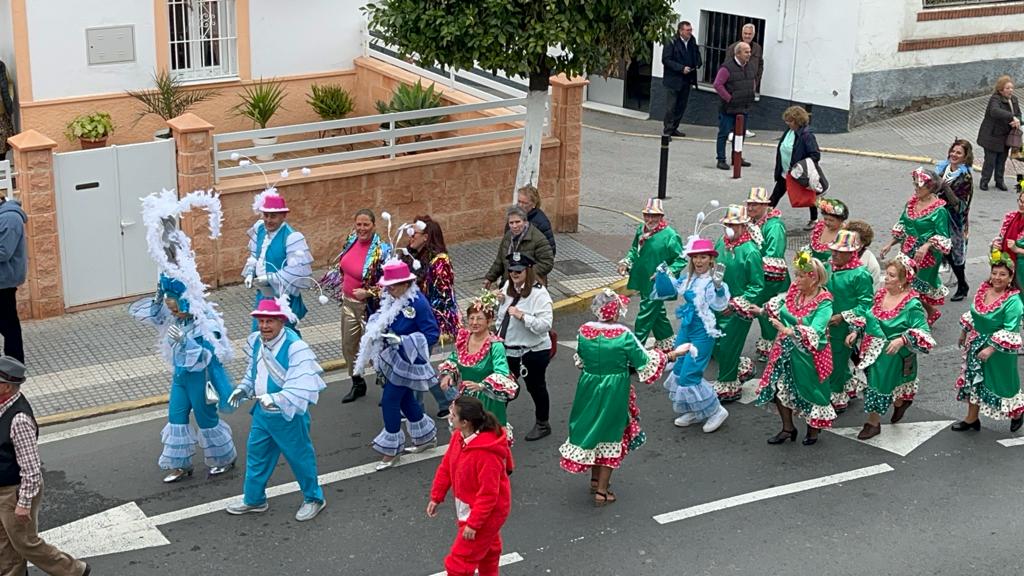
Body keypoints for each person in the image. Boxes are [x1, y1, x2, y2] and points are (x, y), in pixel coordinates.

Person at [559, 290, 670, 506]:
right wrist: (670, 355)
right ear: (616, 311)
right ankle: (602, 491)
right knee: (611, 433)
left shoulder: (584, 331)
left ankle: (594, 481)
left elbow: (581, 360)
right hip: (614, 389)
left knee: (592, 429)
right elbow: (644, 362)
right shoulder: (623, 335)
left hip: (588, 387)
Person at [226, 298, 328, 521]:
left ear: (281, 321)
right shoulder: (257, 341)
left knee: (300, 458)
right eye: (261, 321)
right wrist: (243, 389)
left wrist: (275, 398)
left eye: (269, 321)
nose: (264, 326)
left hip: (288, 416)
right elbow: (253, 372)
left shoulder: (295, 347)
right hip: (262, 415)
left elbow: (300, 385)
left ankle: (314, 498)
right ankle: (254, 499)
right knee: (256, 456)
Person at [130, 275, 237, 482]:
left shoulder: (206, 323)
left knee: (206, 420)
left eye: (176, 309)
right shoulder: (177, 319)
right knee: (176, 418)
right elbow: (155, 317)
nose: (173, 313)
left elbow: (208, 355)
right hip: (180, 377)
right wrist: (159, 297)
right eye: (171, 309)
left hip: (201, 378)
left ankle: (224, 458)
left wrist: (185, 341)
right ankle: (180, 464)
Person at [0, 356, 92, 576]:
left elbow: (31, 469)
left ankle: (74, 570)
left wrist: (24, 503)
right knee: (3, 541)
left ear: (5, 387)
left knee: (25, 542)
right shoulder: (3, 406)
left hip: (15, 491)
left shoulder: (19, 420)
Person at [355, 260, 440, 470]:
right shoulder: (392, 299)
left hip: (409, 360)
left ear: (405, 284)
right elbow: (386, 319)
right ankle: (426, 438)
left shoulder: (418, 303)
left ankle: (391, 451)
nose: (388, 290)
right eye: (387, 286)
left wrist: (404, 340)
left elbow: (432, 334)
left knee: (390, 401)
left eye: (393, 286)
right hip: (394, 357)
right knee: (405, 400)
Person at [846, 255, 934, 440]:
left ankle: (873, 423)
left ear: (903, 280)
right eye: (887, 274)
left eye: (892, 276)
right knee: (878, 383)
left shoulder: (912, 305)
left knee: (879, 385)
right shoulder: (880, 295)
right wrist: (856, 331)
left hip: (892, 354)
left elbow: (924, 331)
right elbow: (870, 316)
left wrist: (902, 339)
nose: (886, 278)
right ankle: (900, 402)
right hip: (872, 350)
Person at [752, 251, 835, 446]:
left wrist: (787, 330)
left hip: (809, 354)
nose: (795, 279)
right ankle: (788, 428)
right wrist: (762, 311)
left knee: (811, 391)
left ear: (813, 279)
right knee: (779, 386)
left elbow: (816, 330)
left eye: (800, 275)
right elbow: (781, 307)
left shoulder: (824, 302)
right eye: (796, 274)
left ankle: (813, 429)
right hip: (785, 348)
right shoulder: (795, 291)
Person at [428, 396, 514, 576]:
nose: (450, 417)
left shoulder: (486, 455)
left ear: (465, 422)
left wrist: (474, 524)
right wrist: (436, 497)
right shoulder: (459, 437)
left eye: (453, 415)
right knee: (489, 552)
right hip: (472, 506)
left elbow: (488, 495)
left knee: (459, 564)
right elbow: (446, 467)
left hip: (484, 514)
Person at [322, 209, 390, 404]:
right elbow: (344, 267)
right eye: (358, 224)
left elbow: (389, 283)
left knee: (377, 347)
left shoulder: (382, 250)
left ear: (374, 226)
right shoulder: (351, 240)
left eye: (366, 224)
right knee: (349, 346)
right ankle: (357, 383)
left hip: (369, 308)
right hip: (348, 304)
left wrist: (368, 292)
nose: (362, 228)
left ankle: (388, 388)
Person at [663, 237, 730, 432]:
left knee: (690, 374)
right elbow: (673, 287)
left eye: (703, 257)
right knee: (678, 369)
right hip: (687, 327)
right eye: (695, 257)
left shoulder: (712, 282)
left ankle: (717, 411)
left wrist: (718, 287)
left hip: (703, 331)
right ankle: (695, 410)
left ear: (711, 260)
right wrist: (662, 274)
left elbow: (721, 304)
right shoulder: (689, 278)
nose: (698, 261)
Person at [953, 250, 1024, 432]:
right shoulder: (984, 290)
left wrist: (991, 348)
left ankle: (1017, 413)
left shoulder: (1013, 301)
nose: (997, 278)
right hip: (977, 343)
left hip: (1000, 350)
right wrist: (964, 332)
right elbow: (976, 313)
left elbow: (1010, 330)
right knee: (973, 380)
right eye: (994, 273)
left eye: (1003, 274)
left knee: (1003, 384)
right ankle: (971, 419)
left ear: (1010, 277)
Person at [401, 215, 460, 417]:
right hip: (412, 319)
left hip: (428, 322)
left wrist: (426, 318)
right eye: (409, 232)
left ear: (425, 237)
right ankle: (448, 400)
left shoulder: (440, 261)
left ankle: (416, 409)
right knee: (420, 364)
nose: (410, 236)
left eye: (414, 233)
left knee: (417, 363)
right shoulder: (411, 256)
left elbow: (443, 296)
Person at [440, 296, 518, 442]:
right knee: (465, 438)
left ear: (489, 321)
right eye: (471, 318)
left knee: (488, 440)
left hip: (488, 401)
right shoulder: (464, 339)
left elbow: (502, 373)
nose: (474, 322)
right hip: (466, 399)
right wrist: (448, 374)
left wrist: (482, 386)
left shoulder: (495, 346)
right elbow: (454, 359)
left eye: (479, 318)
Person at [880, 168, 952, 326]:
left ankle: (913, 318)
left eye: (920, 186)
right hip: (906, 250)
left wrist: (926, 245)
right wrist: (890, 244)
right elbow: (903, 225)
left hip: (926, 256)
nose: (916, 189)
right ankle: (926, 312)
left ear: (930, 188)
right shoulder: (911, 203)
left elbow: (943, 236)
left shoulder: (939, 210)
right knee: (904, 283)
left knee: (913, 286)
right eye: (915, 185)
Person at [494, 254, 553, 441]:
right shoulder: (507, 287)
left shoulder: (539, 294)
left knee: (535, 387)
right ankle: (496, 424)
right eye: (511, 270)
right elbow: (502, 316)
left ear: (528, 271)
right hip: (508, 349)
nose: (514, 274)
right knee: (502, 387)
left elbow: (545, 324)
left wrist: (522, 316)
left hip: (533, 351)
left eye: (519, 271)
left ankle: (543, 424)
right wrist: (497, 301)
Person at [616, 198, 686, 350]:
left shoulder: (671, 236)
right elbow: (634, 250)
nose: (650, 219)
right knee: (657, 313)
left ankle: (635, 350)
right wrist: (626, 262)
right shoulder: (641, 230)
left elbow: (681, 260)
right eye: (647, 215)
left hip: (657, 285)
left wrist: (664, 273)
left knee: (645, 316)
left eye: (654, 216)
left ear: (661, 216)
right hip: (643, 280)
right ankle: (666, 341)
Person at [711, 204, 763, 402]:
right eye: (727, 225)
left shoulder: (750, 252)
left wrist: (735, 305)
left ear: (743, 226)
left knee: (728, 345)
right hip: (717, 304)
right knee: (715, 343)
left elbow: (757, 286)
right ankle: (740, 366)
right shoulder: (721, 243)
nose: (729, 228)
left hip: (736, 311)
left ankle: (728, 384)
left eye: (733, 225)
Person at [241, 190, 314, 331]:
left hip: (283, 298)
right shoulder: (260, 229)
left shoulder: (292, 238)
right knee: (260, 331)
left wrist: (269, 278)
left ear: (283, 216)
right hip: (263, 295)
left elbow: (297, 271)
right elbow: (255, 255)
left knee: (283, 333)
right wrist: (250, 273)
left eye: (273, 216)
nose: (268, 220)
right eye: (266, 215)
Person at [824, 230, 874, 413]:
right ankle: (847, 384)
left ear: (851, 253)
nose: (834, 254)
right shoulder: (828, 267)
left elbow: (866, 304)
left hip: (844, 329)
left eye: (840, 251)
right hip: (825, 324)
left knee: (836, 361)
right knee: (829, 359)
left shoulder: (860, 274)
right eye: (833, 250)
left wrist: (843, 316)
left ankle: (836, 395)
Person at [747, 187, 791, 362]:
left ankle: (778, 348)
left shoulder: (774, 226)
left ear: (765, 205)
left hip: (771, 279)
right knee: (762, 313)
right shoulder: (752, 222)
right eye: (749, 204)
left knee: (770, 313)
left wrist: (753, 268)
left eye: (755, 204)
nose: (750, 208)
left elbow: (774, 255)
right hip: (757, 276)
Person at [769, 105, 821, 230]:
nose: (787, 123)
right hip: (785, 171)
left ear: (798, 121)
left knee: (809, 196)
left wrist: (800, 167)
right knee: (775, 195)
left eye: (790, 121)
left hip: (799, 172)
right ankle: (763, 216)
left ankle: (814, 219)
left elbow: (815, 155)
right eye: (786, 120)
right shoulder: (789, 131)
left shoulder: (807, 135)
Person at [936, 139, 975, 301]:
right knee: (935, 248)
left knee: (954, 253)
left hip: (955, 221)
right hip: (938, 216)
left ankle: (962, 285)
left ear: (965, 157)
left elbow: (960, 206)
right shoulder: (943, 168)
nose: (954, 154)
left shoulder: (965, 178)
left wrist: (945, 187)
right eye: (953, 151)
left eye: (959, 153)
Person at [485, 206, 554, 288]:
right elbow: (500, 260)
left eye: (518, 222)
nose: (514, 226)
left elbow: (547, 263)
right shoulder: (508, 236)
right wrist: (490, 278)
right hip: (509, 284)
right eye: (511, 223)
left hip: (529, 286)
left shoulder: (538, 238)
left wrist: (525, 273)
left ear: (525, 221)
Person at [713, 42, 755, 171]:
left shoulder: (750, 66)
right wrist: (729, 98)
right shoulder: (727, 68)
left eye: (749, 51)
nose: (749, 54)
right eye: (746, 52)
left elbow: (752, 81)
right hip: (728, 108)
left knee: (740, 134)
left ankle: (736, 157)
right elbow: (717, 85)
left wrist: (751, 93)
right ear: (738, 53)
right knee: (724, 133)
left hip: (743, 106)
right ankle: (721, 159)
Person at [976, 75, 1021, 191]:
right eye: (1007, 88)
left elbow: (1019, 114)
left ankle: (999, 181)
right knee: (990, 161)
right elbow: (994, 111)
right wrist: (1012, 117)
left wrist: (1018, 121)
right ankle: (984, 181)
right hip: (992, 136)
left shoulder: (1014, 100)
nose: (1010, 90)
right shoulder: (995, 99)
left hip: (1005, 136)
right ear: (1001, 90)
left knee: (1002, 160)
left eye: (1011, 88)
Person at [661, 20, 702, 138]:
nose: (690, 32)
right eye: (687, 30)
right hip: (674, 80)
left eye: (691, 30)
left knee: (681, 106)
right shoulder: (671, 42)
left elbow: (696, 53)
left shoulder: (692, 40)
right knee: (671, 107)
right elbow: (666, 60)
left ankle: (674, 128)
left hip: (687, 79)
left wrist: (698, 63)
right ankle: (667, 131)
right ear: (680, 31)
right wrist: (681, 68)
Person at [0, 194, 26, 363]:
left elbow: (4, 252)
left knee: (9, 326)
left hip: (3, 283)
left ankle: (15, 363)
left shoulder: (9, 218)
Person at [726, 23, 764, 138]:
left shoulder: (757, 48)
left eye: (750, 34)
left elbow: (760, 64)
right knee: (734, 107)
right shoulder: (734, 47)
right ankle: (731, 131)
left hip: (750, 82)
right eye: (745, 33)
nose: (747, 36)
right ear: (742, 33)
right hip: (737, 83)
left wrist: (757, 79)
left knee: (746, 107)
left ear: (754, 34)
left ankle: (743, 128)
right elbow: (727, 65)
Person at [513, 185, 556, 256]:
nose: (520, 205)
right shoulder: (513, 216)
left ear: (534, 204)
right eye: (519, 201)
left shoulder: (541, 223)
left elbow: (550, 250)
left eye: (524, 203)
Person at [843, 220, 883, 290]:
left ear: (862, 243)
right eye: (847, 237)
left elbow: (872, 290)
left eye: (854, 239)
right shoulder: (837, 255)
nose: (849, 241)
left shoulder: (871, 264)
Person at [991, 188, 1024, 270]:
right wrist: (996, 244)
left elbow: (1016, 248)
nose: (1021, 205)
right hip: (1006, 266)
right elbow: (1001, 237)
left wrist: (1017, 249)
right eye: (1020, 201)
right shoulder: (1010, 217)